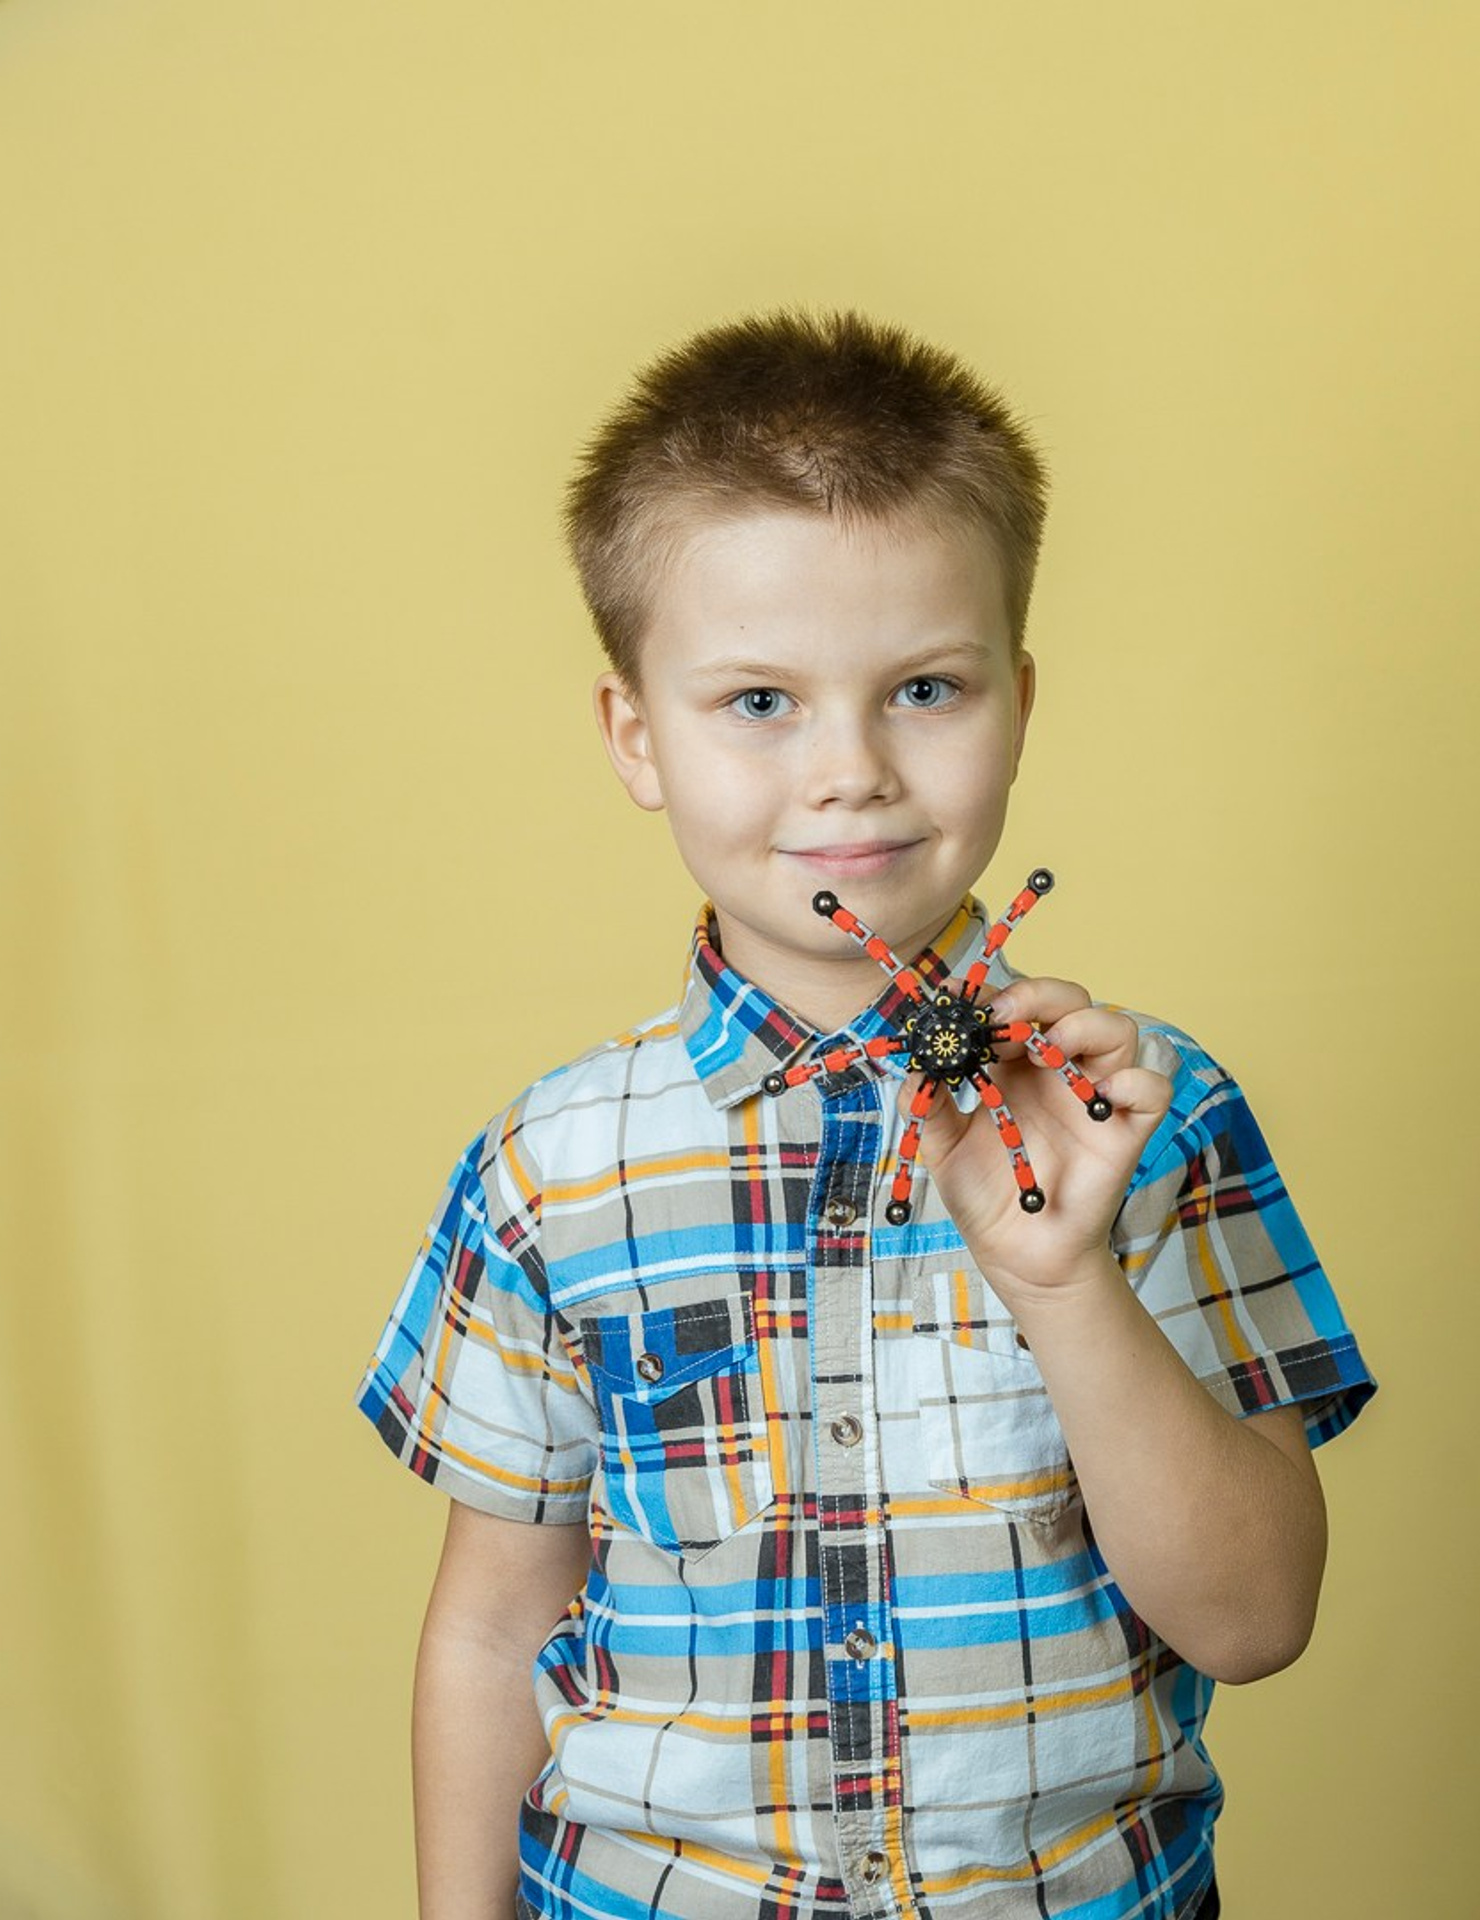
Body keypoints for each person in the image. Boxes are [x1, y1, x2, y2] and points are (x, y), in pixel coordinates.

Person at [358, 309, 1376, 1920]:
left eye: (923, 687)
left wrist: (1066, 1281)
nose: (851, 775)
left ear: (1019, 701)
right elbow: (494, 1628)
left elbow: (1253, 1623)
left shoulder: (1152, 1120)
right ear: (638, 735)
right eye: (758, 702)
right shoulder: (552, 1170)